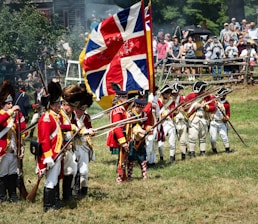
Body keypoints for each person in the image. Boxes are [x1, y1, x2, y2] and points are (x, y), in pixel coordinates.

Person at [37, 81, 63, 212]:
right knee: (51, 181)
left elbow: (58, 131)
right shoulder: (46, 118)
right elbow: (44, 139)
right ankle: (47, 206)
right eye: (57, 104)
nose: (60, 106)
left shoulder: (54, 117)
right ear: (51, 105)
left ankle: (52, 203)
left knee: (55, 179)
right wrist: (48, 156)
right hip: (50, 155)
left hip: (56, 153)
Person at [0, 80, 27, 202]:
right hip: (2, 151)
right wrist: (11, 112)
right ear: (2, 104)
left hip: (13, 150)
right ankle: (2, 196)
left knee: (12, 173)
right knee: (2, 174)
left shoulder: (14, 116)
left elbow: (23, 131)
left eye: (11, 103)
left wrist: (21, 147)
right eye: (8, 103)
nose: (10, 105)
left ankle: (13, 195)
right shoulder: (3, 115)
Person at [72, 86, 95, 196]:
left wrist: (91, 132)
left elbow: (90, 129)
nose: (81, 111)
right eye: (80, 108)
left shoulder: (86, 117)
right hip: (73, 145)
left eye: (83, 109)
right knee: (73, 170)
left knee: (84, 171)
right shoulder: (71, 117)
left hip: (84, 146)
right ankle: (73, 190)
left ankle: (83, 191)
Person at [184, 81, 216, 158]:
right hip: (194, 118)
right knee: (192, 136)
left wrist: (205, 107)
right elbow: (185, 106)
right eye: (202, 89)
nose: (203, 91)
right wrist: (194, 105)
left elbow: (213, 107)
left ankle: (202, 152)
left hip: (204, 119)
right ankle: (192, 153)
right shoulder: (191, 96)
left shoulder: (208, 97)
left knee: (203, 137)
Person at [60, 85, 81, 202]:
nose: (73, 109)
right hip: (60, 146)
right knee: (57, 174)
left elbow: (77, 127)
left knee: (70, 171)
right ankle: (56, 197)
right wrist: (70, 127)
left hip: (69, 146)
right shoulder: (59, 113)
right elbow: (58, 127)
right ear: (65, 104)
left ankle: (67, 196)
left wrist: (84, 131)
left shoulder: (71, 114)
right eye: (71, 106)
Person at [106, 89, 130, 183]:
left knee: (124, 157)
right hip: (119, 136)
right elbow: (117, 127)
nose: (126, 99)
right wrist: (123, 142)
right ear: (120, 98)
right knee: (121, 158)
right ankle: (119, 177)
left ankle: (123, 176)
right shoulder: (118, 109)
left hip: (124, 135)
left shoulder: (121, 108)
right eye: (125, 97)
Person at [127, 99, 151, 180]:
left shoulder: (144, 114)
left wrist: (148, 129)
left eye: (142, 108)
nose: (140, 110)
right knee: (130, 159)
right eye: (139, 108)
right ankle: (129, 175)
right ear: (136, 106)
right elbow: (129, 126)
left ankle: (144, 175)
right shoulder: (130, 114)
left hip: (141, 139)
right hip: (132, 138)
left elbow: (147, 124)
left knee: (142, 158)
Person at [157, 85, 177, 163]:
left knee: (172, 142)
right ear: (163, 93)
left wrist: (175, 112)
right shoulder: (158, 101)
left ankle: (172, 157)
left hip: (170, 122)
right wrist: (162, 116)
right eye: (167, 93)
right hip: (162, 123)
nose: (168, 94)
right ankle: (161, 157)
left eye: (169, 93)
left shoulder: (171, 101)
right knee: (160, 144)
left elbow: (174, 112)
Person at [209, 87, 232, 154]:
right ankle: (214, 150)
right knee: (213, 138)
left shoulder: (226, 103)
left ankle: (227, 149)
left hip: (222, 122)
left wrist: (227, 118)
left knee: (224, 136)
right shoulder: (214, 101)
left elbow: (228, 113)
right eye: (224, 94)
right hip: (214, 122)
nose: (225, 96)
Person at [171, 83, 188, 161]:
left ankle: (183, 156)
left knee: (183, 140)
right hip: (175, 121)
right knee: (173, 140)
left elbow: (187, 109)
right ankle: (172, 157)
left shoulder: (183, 98)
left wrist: (182, 110)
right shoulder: (170, 101)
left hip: (182, 121)